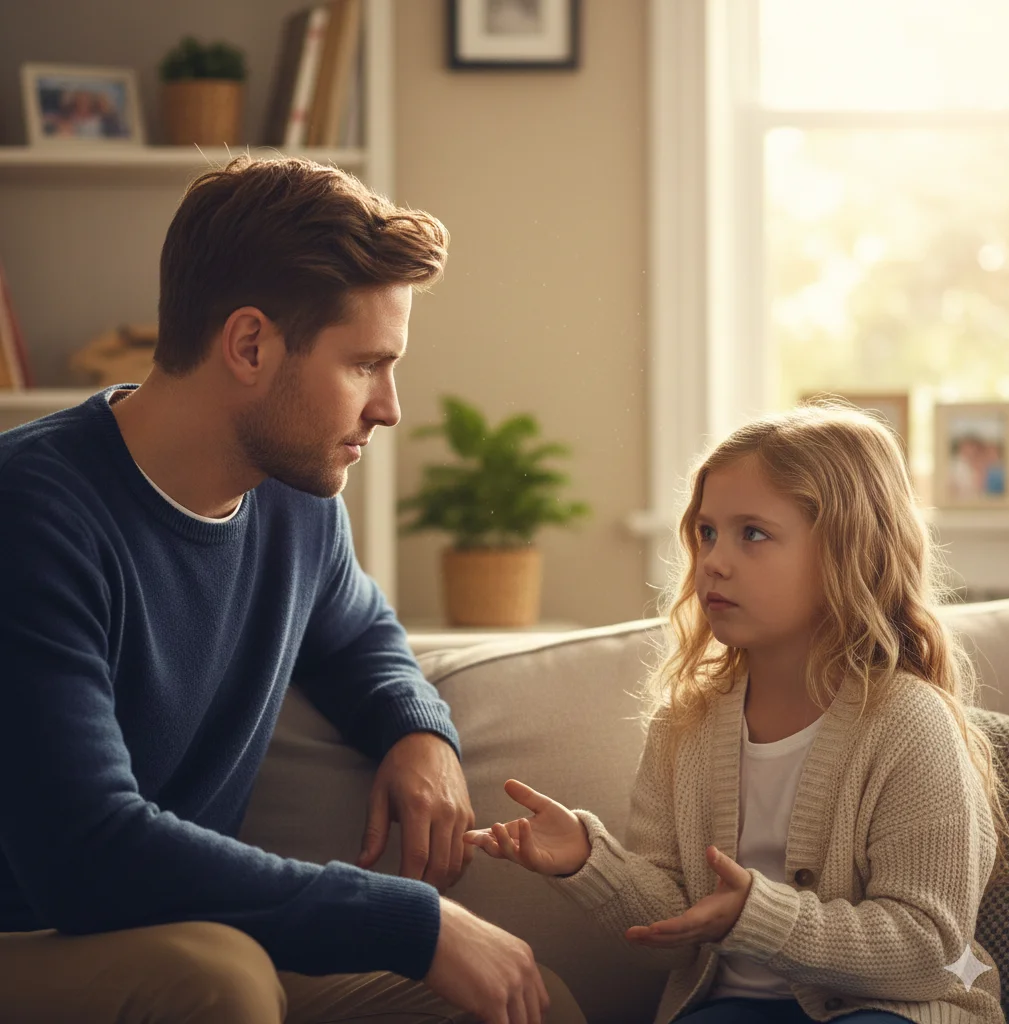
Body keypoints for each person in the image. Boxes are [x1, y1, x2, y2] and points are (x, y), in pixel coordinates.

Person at [0, 154, 585, 1024]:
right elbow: (88, 853)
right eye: (365, 365)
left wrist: (416, 729)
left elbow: (358, 635)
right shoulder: (34, 515)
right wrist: (414, 923)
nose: (389, 407)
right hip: (34, 936)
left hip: (180, 930)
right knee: (220, 979)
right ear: (249, 344)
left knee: (523, 1000)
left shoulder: (294, 506)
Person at [465, 403, 1009, 1024]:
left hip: (891, 1009)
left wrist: (755, 914)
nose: (713, 562)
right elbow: (668, 936)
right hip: (727, 1007)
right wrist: (588, 862)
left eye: (752, 533)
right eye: (706, 533)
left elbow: (926, 949)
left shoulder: (907, 721)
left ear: (847, 551)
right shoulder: (686, 725)